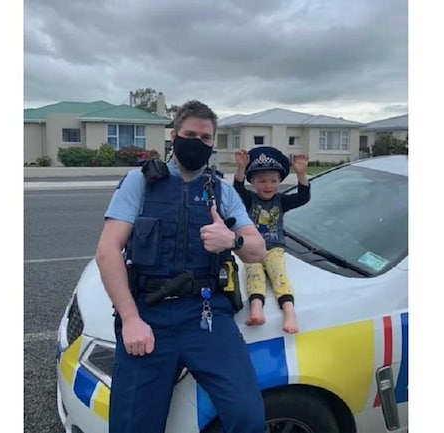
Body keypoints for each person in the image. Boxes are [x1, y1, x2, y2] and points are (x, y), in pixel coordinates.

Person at [94, 100, 268, 433]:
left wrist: (232, 240)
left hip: (206, 315)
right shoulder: (140, 183)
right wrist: (130, 319)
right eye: (190, 134)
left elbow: (257, 250)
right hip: (150, 314)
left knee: (248, 418)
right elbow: (107, 250)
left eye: (205, 138)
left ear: (213, 143)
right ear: (173, 135)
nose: (197, 142)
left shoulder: (222, 192)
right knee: (131, 426)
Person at [233, 146, 310, 334]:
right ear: (253, 181)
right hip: (253, 249)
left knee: (279, 276)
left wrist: (301, 173)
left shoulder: (281, 201)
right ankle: (256, 310)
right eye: (262, 181)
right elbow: (237, 190)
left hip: (274, 248)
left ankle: (290, 313)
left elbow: (302, 197)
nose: (268, 186)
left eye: (273, 181)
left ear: (280, 181)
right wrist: (241, 168)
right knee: (254, 274)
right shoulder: (249, 200)